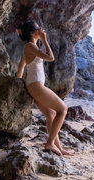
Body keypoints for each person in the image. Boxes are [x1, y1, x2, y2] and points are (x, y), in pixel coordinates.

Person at [16, 21, 70, 156]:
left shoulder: (29, 47)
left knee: (51, 114)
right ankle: (50, 143)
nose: (42, 29)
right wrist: (45, 40)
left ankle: (58, 147)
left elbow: (21, 66)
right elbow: (51, 58)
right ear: (33, 32)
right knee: (63, 109)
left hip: (33, 85)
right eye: (38, 28)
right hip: (36, 85)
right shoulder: (30, 46)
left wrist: (18, 83)